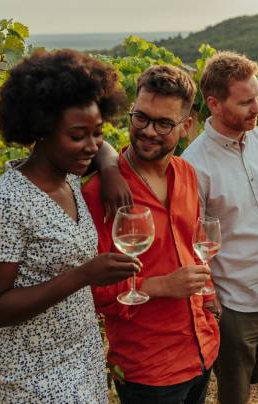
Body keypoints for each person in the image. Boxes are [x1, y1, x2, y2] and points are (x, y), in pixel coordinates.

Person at [0, 49, 142, 403]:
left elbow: (103, 149)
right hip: (30, 376)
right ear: (40, 130)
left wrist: (109, 171)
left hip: (83, 360)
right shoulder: (6, 202)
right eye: (78, 136)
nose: (91, 145)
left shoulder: (69, 178)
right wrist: (83, 275)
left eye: (97, 132)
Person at [82, 65, 220, 404]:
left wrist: (207, 302)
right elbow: (92, 290)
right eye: (140, 118)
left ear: (186, 127)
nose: (148, 131)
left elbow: (192, 246)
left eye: (163, 123)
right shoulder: (101, 192)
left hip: (201, 351)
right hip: (149, 367)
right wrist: (160, 286)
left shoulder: (187, 174)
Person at [181, 51, 258, 404]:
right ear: (214, 103)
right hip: (233, 302)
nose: (257, 108)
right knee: (234, 397)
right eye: (246, 101)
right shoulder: (194, 165)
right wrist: (214, 304)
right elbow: (193, 242)